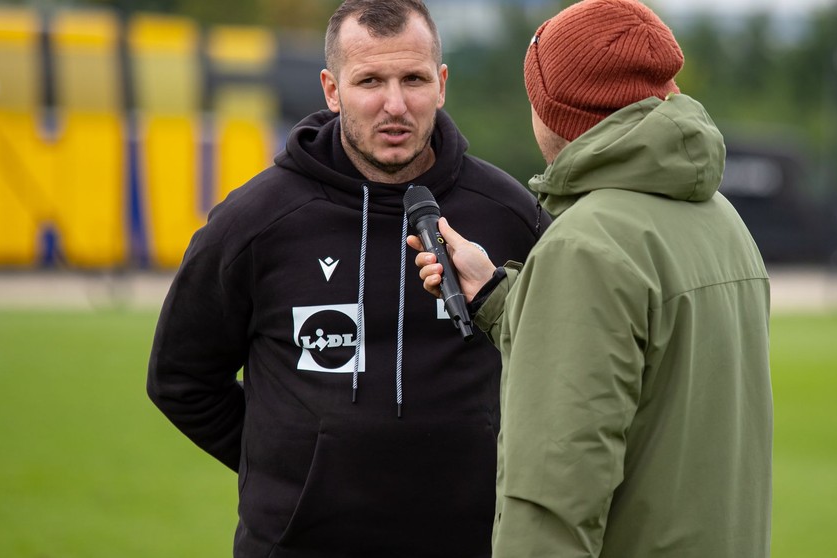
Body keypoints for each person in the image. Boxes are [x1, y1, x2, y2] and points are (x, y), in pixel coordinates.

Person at [146, 1, 548, 556]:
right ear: (332, 91)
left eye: (413, 78)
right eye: (369, 81)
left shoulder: (509, 214)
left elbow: (566, 363)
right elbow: (181, 379)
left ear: (442, 84)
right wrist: (296, 471)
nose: (395, 104)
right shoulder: (255, 221)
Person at [410, 0, 773, 556]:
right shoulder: (722, 218)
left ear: (556, 112)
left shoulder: (585, 244)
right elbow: (650, 375)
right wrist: (493, 295)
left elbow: (552, 497)